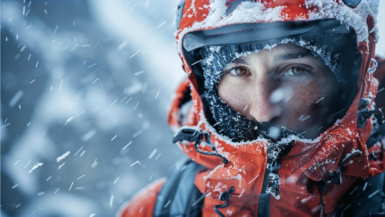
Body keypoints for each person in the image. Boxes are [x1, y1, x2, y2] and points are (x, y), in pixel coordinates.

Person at [118, 0, 385, 216]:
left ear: (348, 83)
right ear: (207, 88)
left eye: (295, 70)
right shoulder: (153, 209)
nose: (262, 110)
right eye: (238, 70)